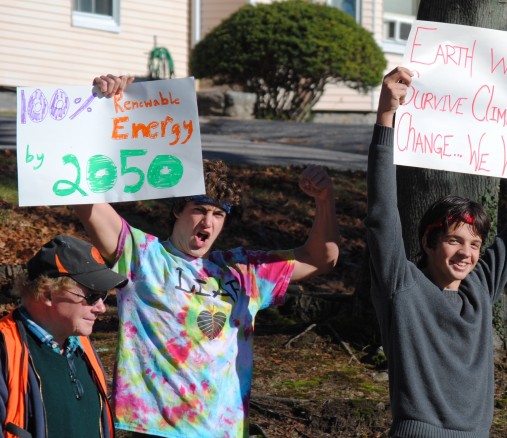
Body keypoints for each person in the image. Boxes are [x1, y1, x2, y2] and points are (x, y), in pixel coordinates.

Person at [71, 74, 341, 437]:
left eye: (219, 214)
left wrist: (325, 201)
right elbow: (84, 199)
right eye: (200, 209)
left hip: (222, 429)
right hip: (149, 428)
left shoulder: (243, 270)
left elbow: (322, 258)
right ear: (177, 212)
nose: (209, 222)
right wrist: (102, 108)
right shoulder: (142, 254)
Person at [366, 66, 507, 437]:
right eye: (454, 240)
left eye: (475, 244)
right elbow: (382, 213)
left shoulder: (480, 289)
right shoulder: (401, 285)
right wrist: (385, 117)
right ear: (428, 243)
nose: (467, 253)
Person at [0, 234, 129, 438]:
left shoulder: (81, 346)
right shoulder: (5, 349)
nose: (101, 308)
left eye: (103, 295)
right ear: (47, 294)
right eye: (91, 296)